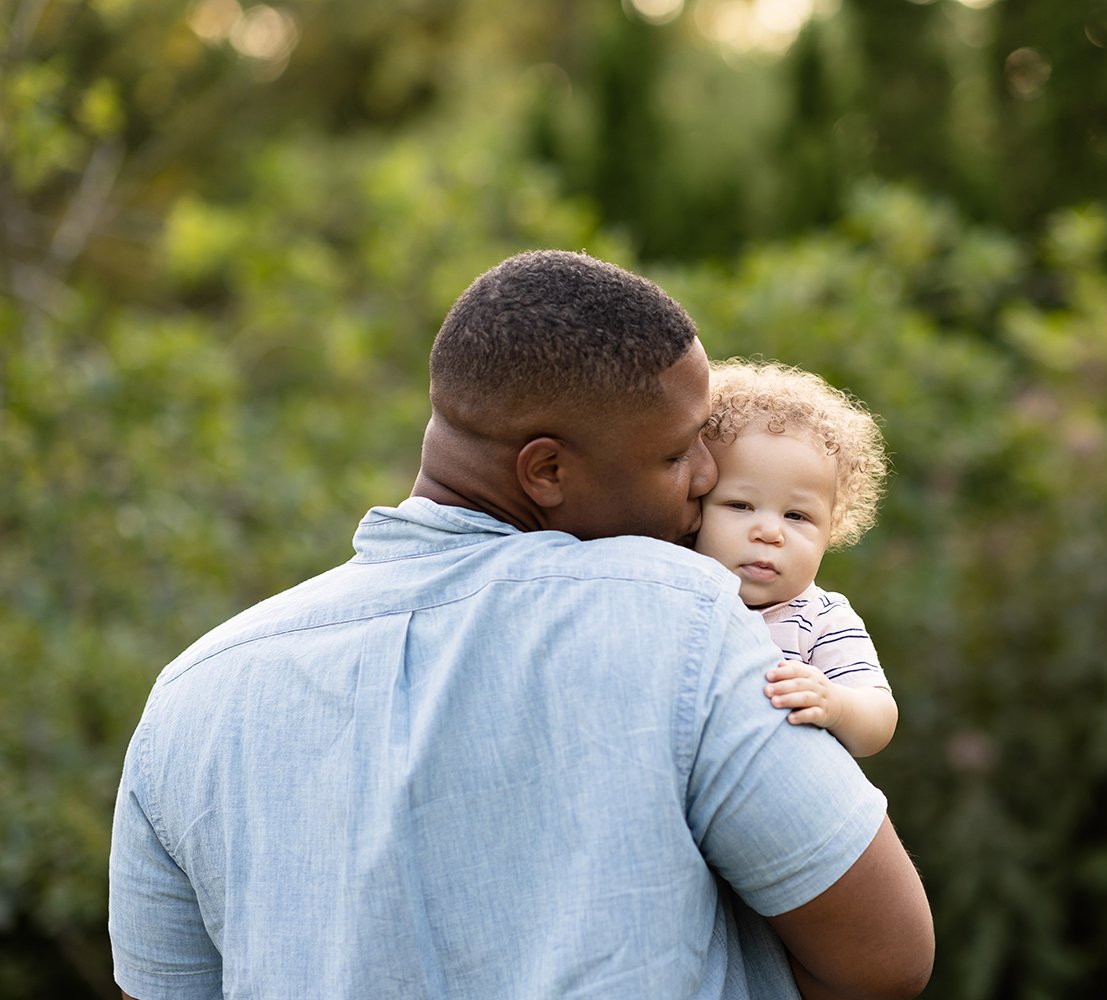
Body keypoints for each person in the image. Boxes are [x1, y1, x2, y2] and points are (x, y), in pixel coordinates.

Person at [108, 250, 933, 1000]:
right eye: (678, 453)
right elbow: (888, 958)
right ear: (546, 470)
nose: (711, 476)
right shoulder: (677, 614)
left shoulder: (189, 696)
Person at [694, 360, 897, 758]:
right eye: (740, 505)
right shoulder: (680, 590)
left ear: (832, 530)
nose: (770, 532)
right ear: (695, 504)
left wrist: (836, 704)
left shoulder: (821, 619)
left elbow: (879, 719)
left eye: (797, 516)